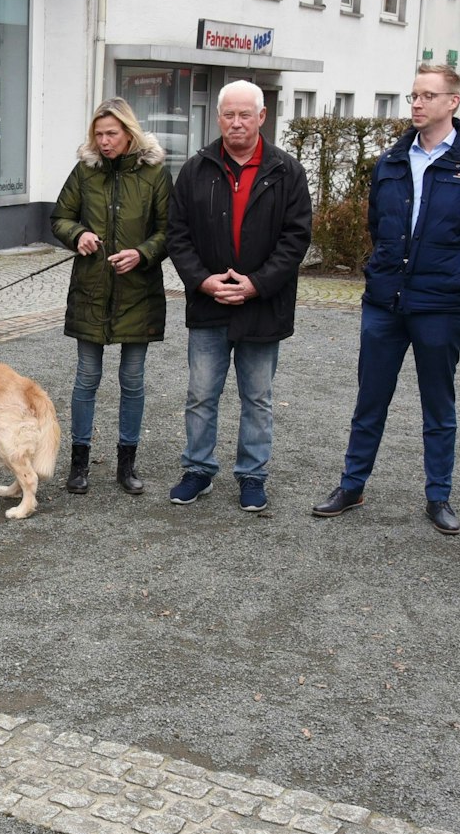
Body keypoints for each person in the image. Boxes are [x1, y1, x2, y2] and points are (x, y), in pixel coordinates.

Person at [313, 63, 460, 534]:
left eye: (427, 96)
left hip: (442, 308)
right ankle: (352, 484)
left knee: (438, 406)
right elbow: (379, 227)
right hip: (385, 303)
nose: (418, 104)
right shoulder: (391, 160)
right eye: (413, 96)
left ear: (452, 102)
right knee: (369, 401)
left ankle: (438, 496)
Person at [163, 80, 312, 512]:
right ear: (218, 118)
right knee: (200, 394)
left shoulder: (287, 171)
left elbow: (296, 238)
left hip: (263, 305)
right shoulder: (196, 169)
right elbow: (178, 234)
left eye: (245, 114)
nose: (236, 123)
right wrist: (203, 281)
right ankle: (198, 470)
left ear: (262, 117)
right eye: (229, 114)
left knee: (258, 398)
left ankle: (252, 475)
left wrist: (257, 284)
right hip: (209, 303)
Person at [50, 97, 172, 496]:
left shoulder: (154, 173)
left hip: (139, 292)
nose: (104, 142)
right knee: (87, 378)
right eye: (98, 134)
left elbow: (169, 231)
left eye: (111, 134)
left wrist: (142, 254)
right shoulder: (85, 172)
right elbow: (60, 217)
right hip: (91, 289)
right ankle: (79, 464)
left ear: (128, 132)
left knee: (132, 380)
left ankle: (127, 465)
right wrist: (78, 235)